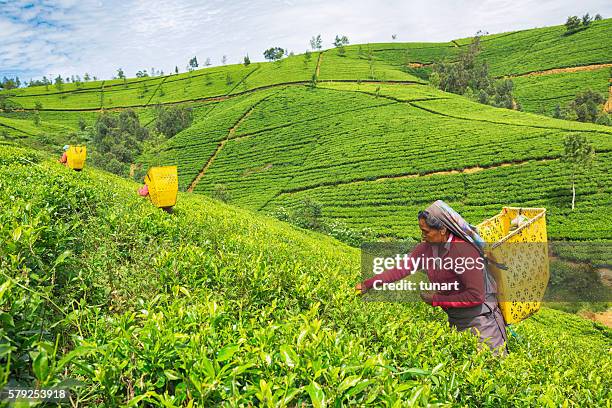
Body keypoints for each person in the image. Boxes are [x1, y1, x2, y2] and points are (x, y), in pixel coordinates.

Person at [356, 200, 508, 356]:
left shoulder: (463, 251)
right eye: (421, 231)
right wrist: (369, 284)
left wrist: (436, 300)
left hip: (482, 322)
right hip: (456, 319)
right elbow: (400, 269)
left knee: (489, 366)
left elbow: (475, 296)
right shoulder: (426, 249)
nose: (423, 236)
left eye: (426, 231)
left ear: (442, 230)